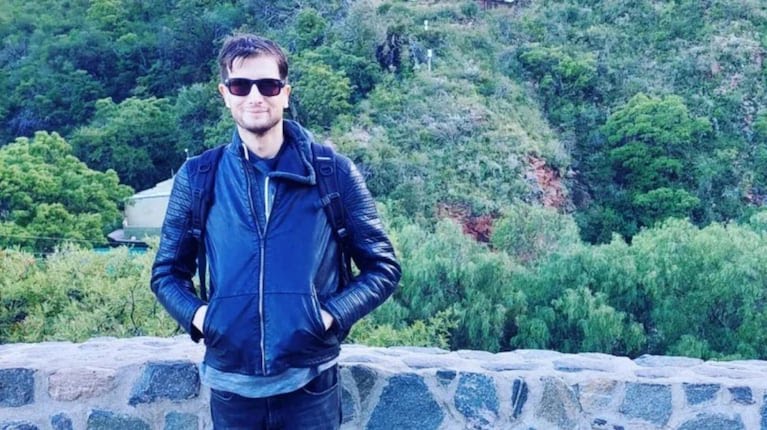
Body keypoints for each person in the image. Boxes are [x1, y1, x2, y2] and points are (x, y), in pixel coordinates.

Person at [150, 33, 401, 429]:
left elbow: (383, 267)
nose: (255, 96)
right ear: (225, 94)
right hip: (231, 386)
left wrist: (328, 316)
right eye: (240, 86)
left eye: (268, 85)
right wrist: (203, 318)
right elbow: (166, 273)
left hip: (310, 382)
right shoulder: (199, 176)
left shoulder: (332, 172)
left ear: (285, 93)